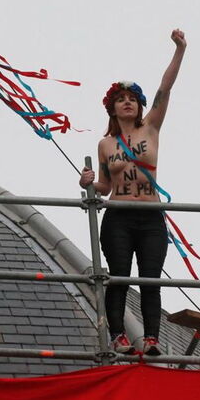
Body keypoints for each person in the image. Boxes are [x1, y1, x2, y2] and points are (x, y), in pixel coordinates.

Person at [79, 29, 187, 355]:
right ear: (112, 109)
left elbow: (164, 89)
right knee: (120, 276)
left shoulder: (150, 127)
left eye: (131, 99)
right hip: (119, 214)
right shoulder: (105, 144)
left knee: (150, 279)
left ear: (139, 107)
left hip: (151, 214)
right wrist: (88, 183)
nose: (127, 103)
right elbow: (105, 186)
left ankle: (152, 338)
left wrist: (180, 50)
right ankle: (118, 336)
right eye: (120, 99)